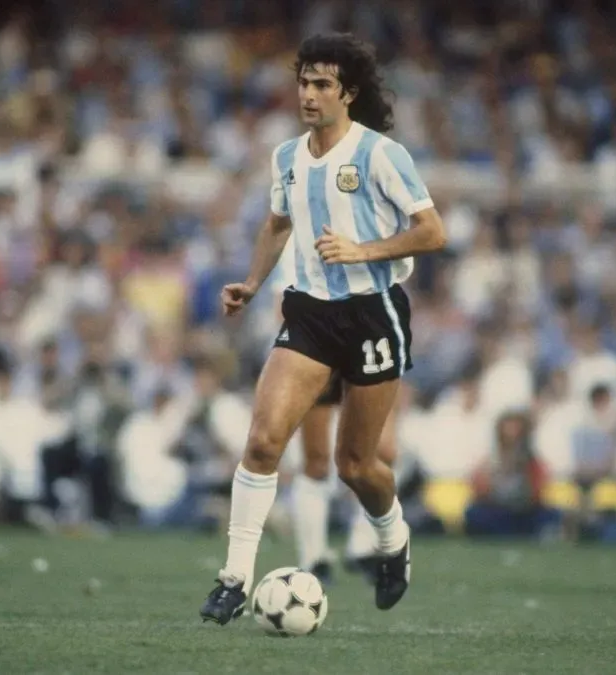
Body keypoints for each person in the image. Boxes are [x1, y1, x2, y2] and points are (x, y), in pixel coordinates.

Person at [199, 33, 446, 625]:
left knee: (355, 465)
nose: (308, 95)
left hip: (372, 313)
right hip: (309, 312)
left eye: (322, 84)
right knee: (264, 442)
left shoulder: (381, 154)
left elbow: (433, 232)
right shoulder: (286, 156)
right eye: (303, 82)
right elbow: (277, 224)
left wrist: (363, 250)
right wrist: (252, 283)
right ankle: (233, 580)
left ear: (348, 93)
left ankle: (393, 540)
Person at [291, 373, 399, 585]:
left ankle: (362, 545)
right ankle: (313, 558)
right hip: (325, 358)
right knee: (317, 461)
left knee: (384, 452)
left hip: (369, 354)